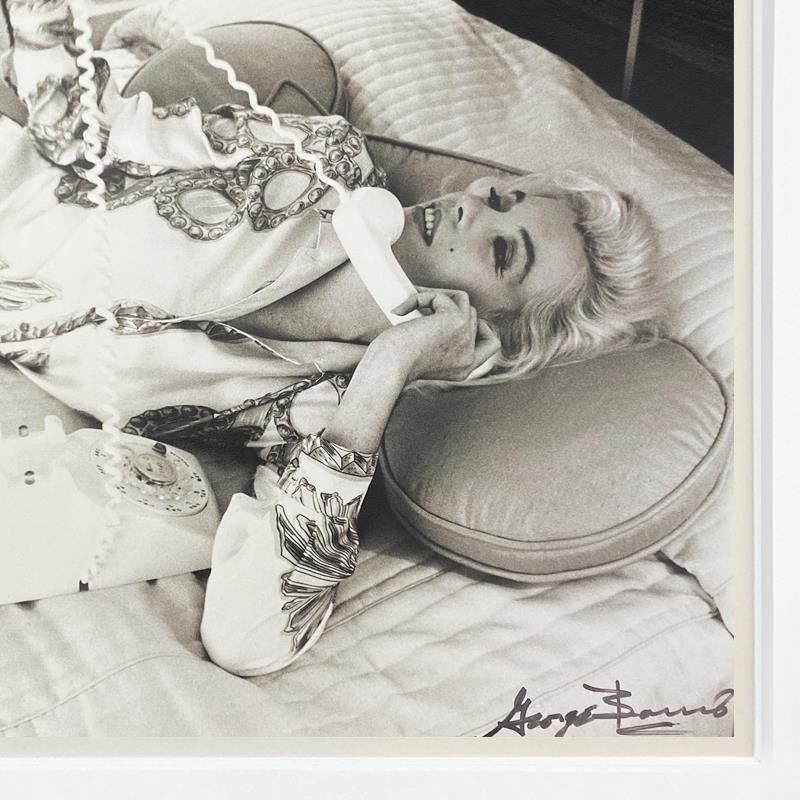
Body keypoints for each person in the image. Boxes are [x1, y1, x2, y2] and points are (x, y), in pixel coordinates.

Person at [0, 0, 658, 675]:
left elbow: (248, 640)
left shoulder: (322, 414)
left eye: (500, 252)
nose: (468, 208)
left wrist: (389, 366)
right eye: (497, 198)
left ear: (487, 334)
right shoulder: (321, 158)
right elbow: (89, 129)